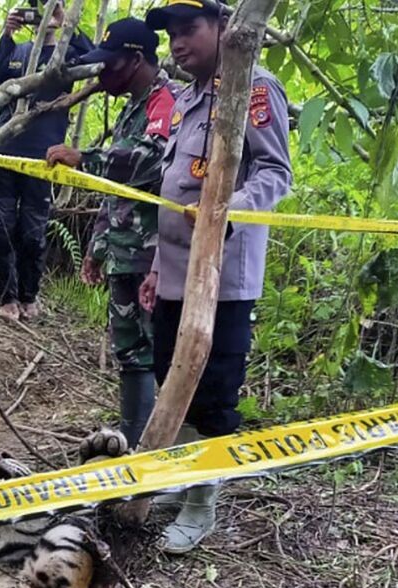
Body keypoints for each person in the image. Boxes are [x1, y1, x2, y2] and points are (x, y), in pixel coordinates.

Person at [140, 0, 291, 553]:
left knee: (213, 394)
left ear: (225, 28)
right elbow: (174, 184)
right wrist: (157, 265)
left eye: (190, 30)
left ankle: (203, 500)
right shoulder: (187, 98)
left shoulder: (253, 88)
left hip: (223, 276)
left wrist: (224, 215)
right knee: (168, 378)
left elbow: (276, 172)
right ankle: (178, 481)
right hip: (177, 271)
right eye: (173, 35)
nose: (179, 44)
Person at [43, 19, 179, 446]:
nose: (101, 76)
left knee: (161, 352)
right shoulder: (132, 106)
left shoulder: (166, 100)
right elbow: (115, 192)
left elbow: (152, 161)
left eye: (109, 65)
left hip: (155, 253)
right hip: (124, 249)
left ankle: (163, 450)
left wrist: (84, 158)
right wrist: (97, 246)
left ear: (136, 59)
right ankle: (132, 444)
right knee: (131, 352)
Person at [0, 5, 93, 320]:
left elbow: (98, 60)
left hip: (44, 157)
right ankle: (7, 298)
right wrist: (6, 35)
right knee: (2, 228)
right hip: (4, 152)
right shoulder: (17, 51)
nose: (41, 17)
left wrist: (67, 26)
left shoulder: (66, 56)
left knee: (33, 231)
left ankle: (29, 296)